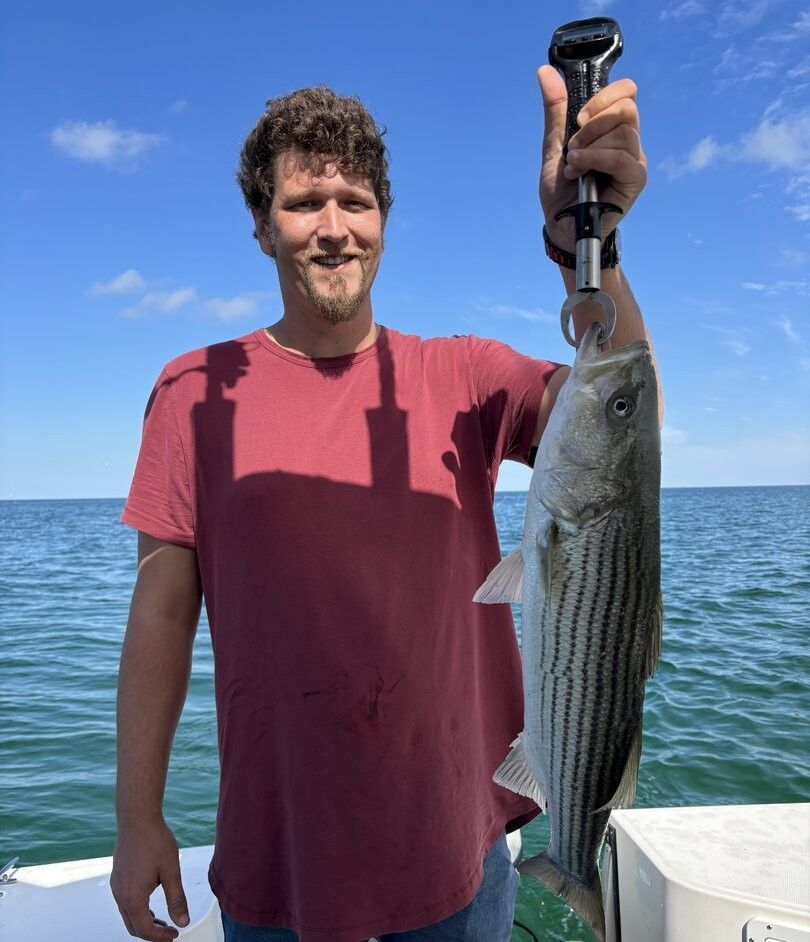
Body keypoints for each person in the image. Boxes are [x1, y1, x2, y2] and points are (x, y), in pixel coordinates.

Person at [110, 65, 653, 942]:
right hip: (277, 858)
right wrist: (137, 818)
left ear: (385, 224)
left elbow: (623, 410)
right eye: (304, 203)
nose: (333, 229)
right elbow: (162, 615)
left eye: (355, 202)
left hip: (456, 856)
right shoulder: (190, 393)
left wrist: (588, 249)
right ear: (261, 226)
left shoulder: (467, 374)